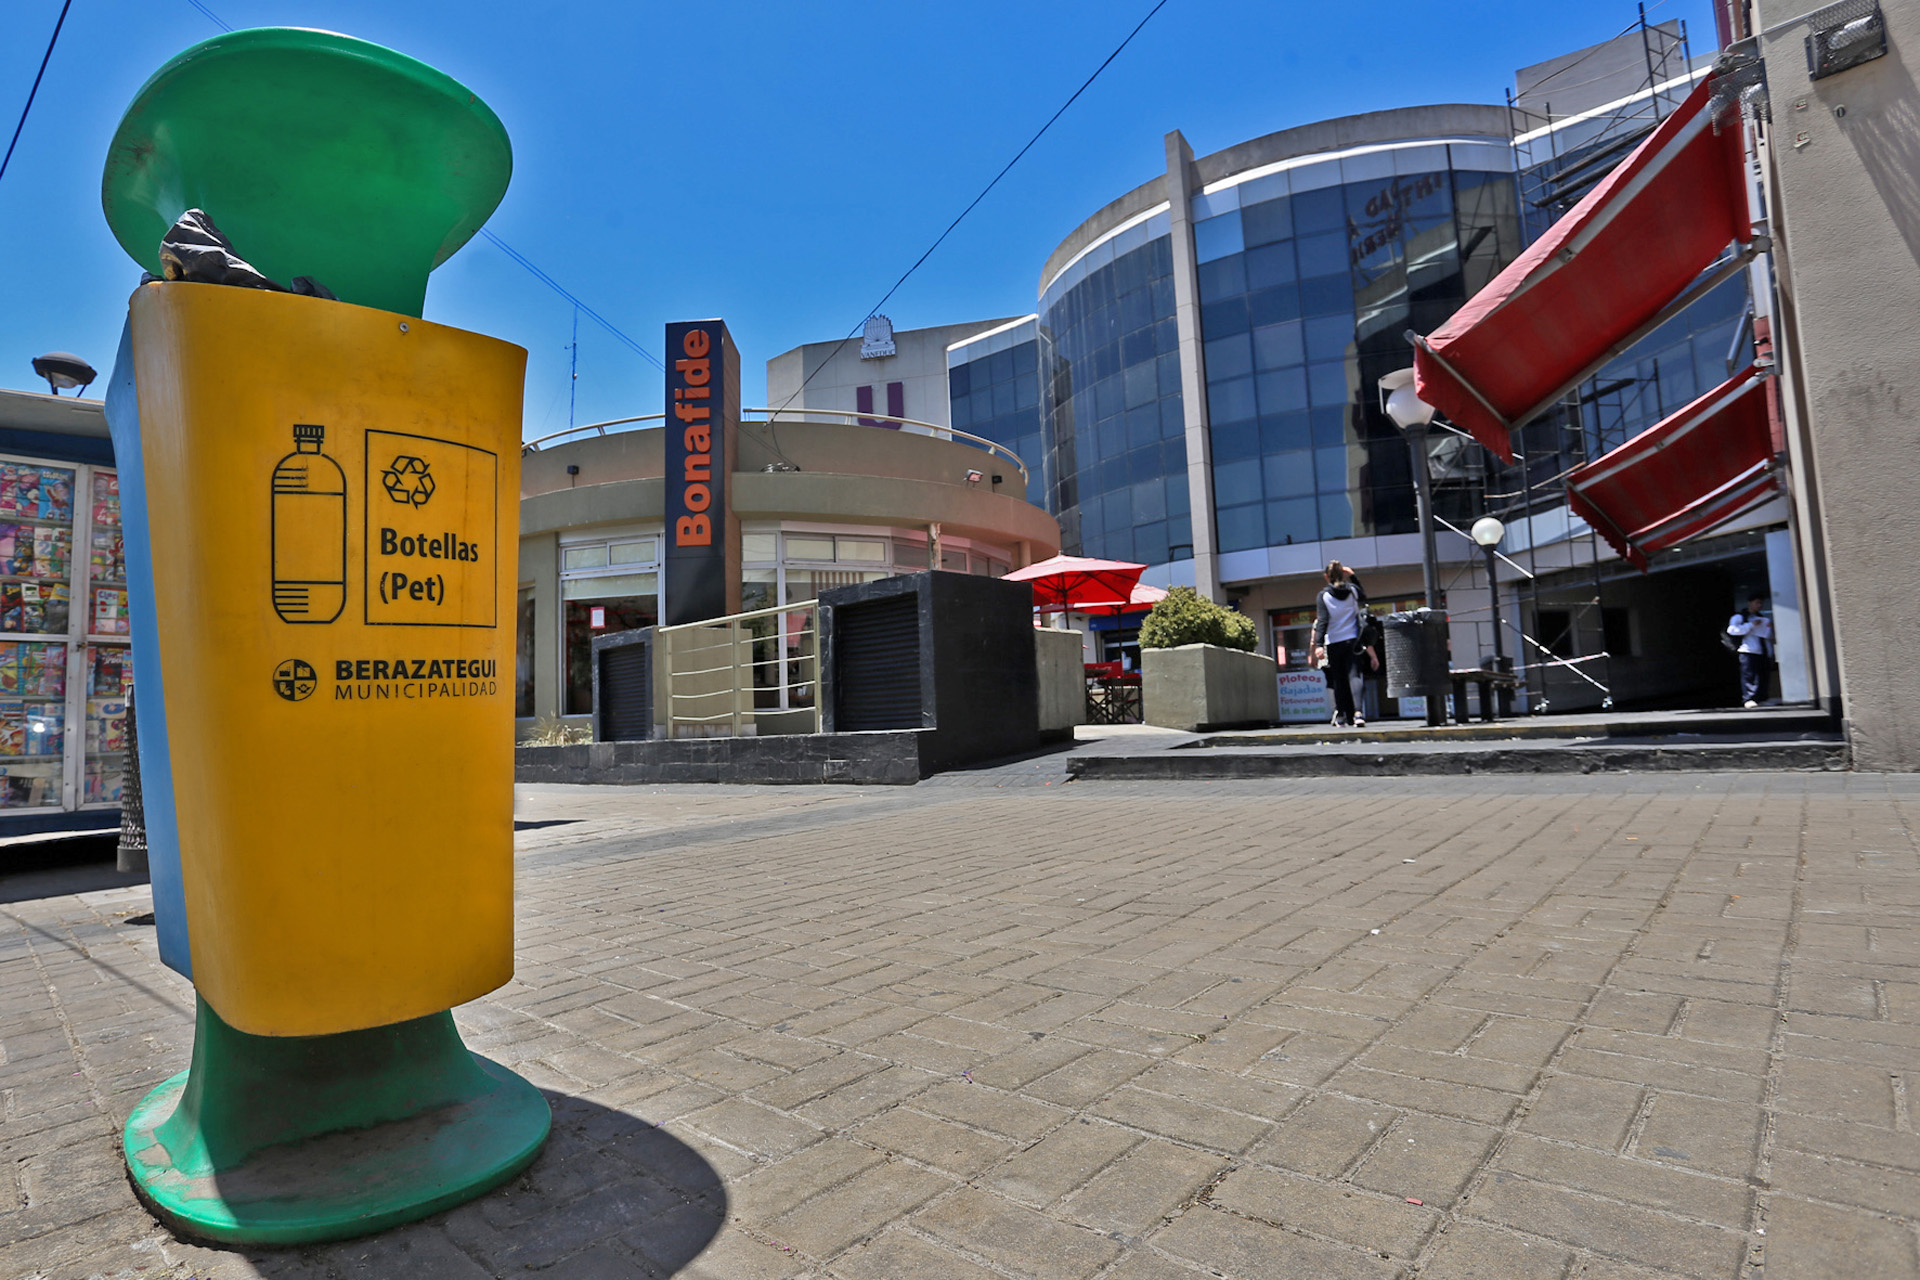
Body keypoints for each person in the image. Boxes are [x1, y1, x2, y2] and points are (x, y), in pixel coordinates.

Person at [1311, 560, 1365, 727]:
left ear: (1326, 577)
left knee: (1339, 680)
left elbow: (1323, 621)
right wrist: (1353, 577)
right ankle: (1358, 714)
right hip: (1353, 639)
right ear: (1343, 574)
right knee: (1354, 675)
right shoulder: (1353, 591)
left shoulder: (1323, 596)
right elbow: (1364, 597)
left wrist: (1319, 644)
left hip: (1334, 642)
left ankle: (1340, 715)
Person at [1728, 593, 1773, 708]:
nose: (1759, 605)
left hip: (1762, 650)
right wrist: (1750, 625)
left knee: (1763, 675)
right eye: (1757, 602)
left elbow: (1767, 635)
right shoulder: (1740, 617)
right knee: (1750, 675)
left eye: (1761, 603)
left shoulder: (1761, 617)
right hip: (1748, 649)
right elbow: (1732, 630)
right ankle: (1749, 698)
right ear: (1750, 603)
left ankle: (1761, 697)